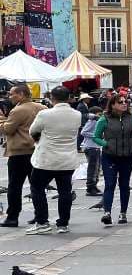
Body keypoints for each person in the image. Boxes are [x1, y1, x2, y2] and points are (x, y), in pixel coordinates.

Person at [27, 86, 81, 234]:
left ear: (52, 98)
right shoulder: (77, 114)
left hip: (46, 159)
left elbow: (32, 131)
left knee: (37, 189)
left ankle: (42, 222)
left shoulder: (44, 114)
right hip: (67, 160)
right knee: (65, 191)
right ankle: (63, 224)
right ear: (69, 97)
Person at [0, 85, 46, 227]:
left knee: (15, 186)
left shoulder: (18, 110)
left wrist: (1, 120)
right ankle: (40, 216)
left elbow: (8, 129)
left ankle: (12, 216)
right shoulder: (42, 108)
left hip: (19, 152)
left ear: (21, 94)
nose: (10, 96)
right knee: (37, 186)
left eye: (12, 94)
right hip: (37, 150)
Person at [93, 92, 132, 225]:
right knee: (110, 184)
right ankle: (107, 213)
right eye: (121, 102)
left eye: (126, 102)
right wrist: (106, 144)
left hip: (127, 156)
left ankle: (123, 214)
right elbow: (96, 137)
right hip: (110, 156)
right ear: (112, 105)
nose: (124, 104)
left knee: (124, 185)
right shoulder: (104, 119)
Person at [80, 106, 103, 196]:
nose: (100, 116)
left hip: (95, 147)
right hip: (91, 147)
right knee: (93, 168)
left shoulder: (97, 121)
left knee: (97, 167)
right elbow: (83, 132)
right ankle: (90, 187)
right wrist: (95, 135)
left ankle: (94, 185)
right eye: (99, 114)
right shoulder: (93, 121)